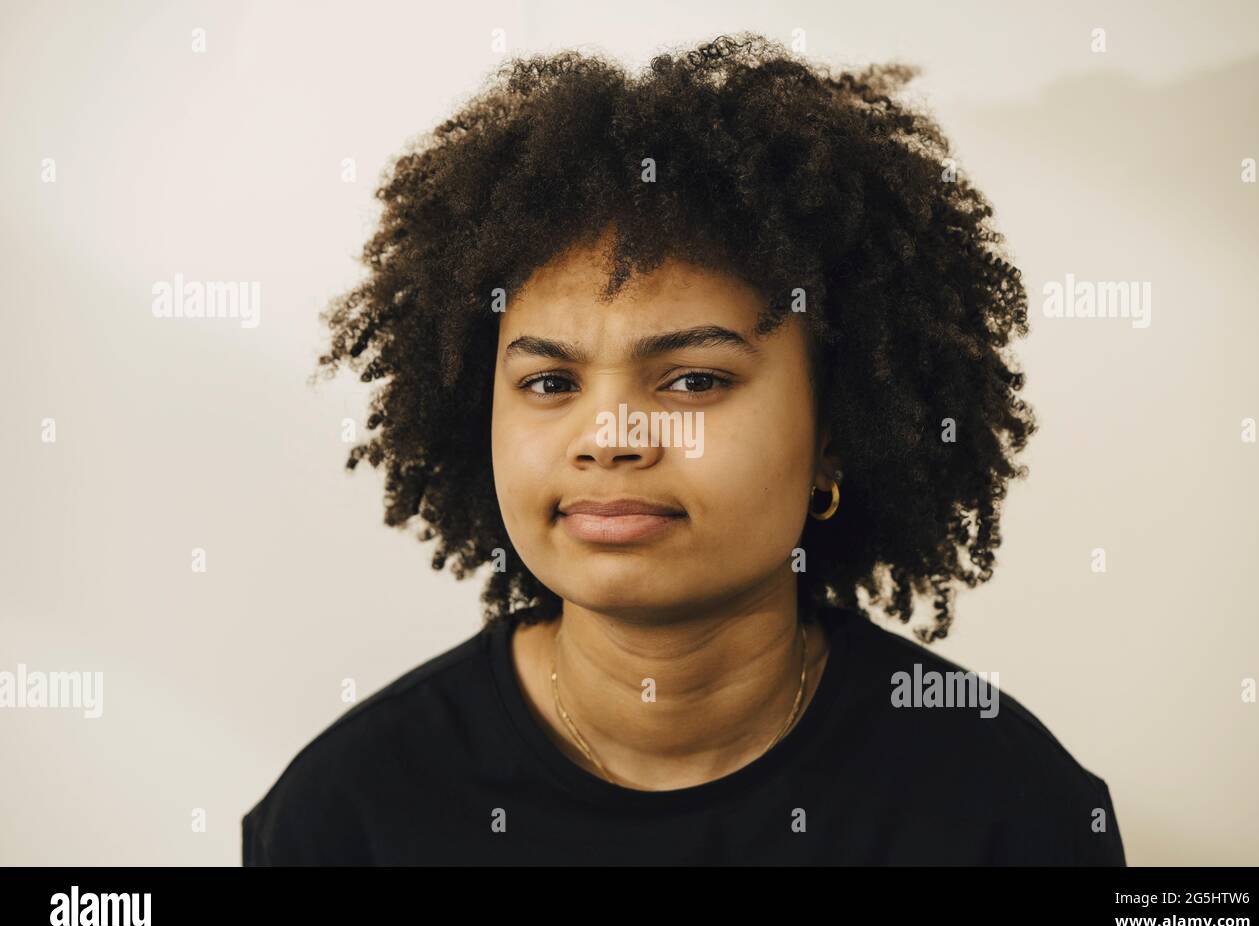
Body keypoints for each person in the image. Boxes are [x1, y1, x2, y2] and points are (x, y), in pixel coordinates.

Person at [242, 33, 1125, 865]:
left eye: (693, 381)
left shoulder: (1008, 810)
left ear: (836, 436)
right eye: (550, 384)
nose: (610, 439)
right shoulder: (346, 818)